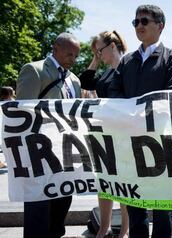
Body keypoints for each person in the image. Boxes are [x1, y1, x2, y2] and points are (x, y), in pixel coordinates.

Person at [108, 4, 172, 238]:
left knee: (163, 209)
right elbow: (114, 90)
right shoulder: (126, 61)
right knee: (135, 205)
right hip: (130, 143)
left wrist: (138, 113)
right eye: (135, 22)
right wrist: (130, 114)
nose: (138, 26)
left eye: (144, 21)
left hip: (162, 142)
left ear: (160, 26)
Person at [16, 32, 81, 238]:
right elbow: (21, 113)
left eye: (76, 55)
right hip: (38, 152)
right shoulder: (34, 70)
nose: (73, 59)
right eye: (69, 54)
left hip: (66, 151)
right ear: (55, 49)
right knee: (38, 206)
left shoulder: (74, 80)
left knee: (62, 203)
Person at [80, 30, 129, 238]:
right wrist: (95, 57)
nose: (98, 55)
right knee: (105, 183)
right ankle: (104, 228)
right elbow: (86, 81)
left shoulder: (129, 67)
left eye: (100, 50)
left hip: (125, 136)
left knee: (125, 185)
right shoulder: (107, 72)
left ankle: (125, 230)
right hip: (105, 135)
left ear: (112, 46)